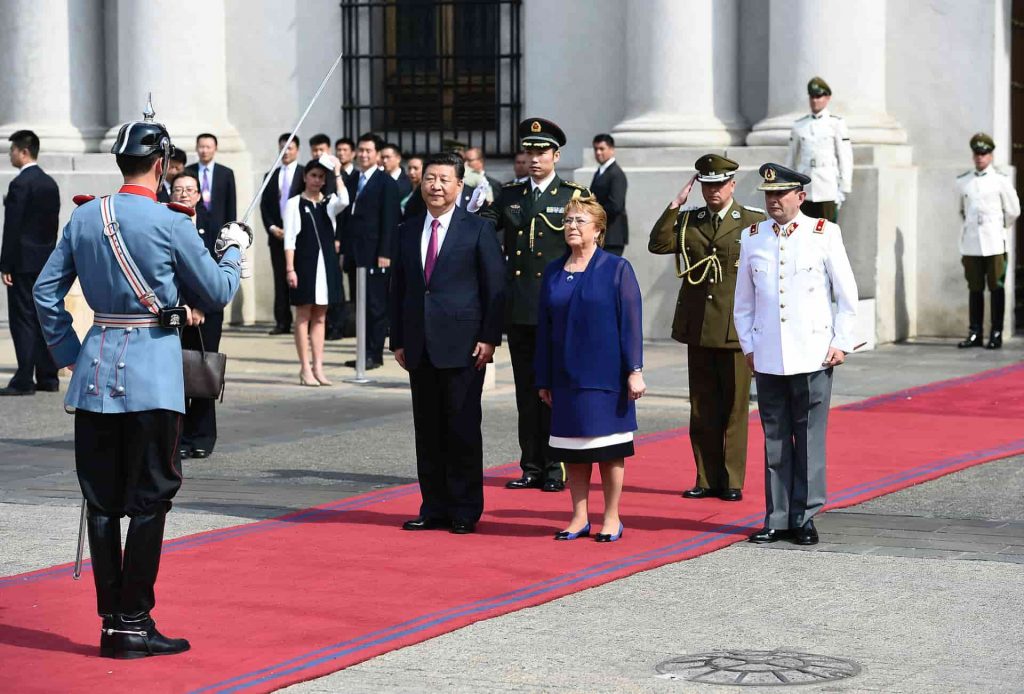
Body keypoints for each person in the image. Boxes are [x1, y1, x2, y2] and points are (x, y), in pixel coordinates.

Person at [33, 105, 250, 658]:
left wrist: (70, 352)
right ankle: (134, 620)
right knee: (151, 499)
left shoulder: (85, 217)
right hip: (153, 377)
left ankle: (112, 623)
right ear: (159, 164)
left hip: (95, 374)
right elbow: (218, 292)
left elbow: (44, 293)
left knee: (102, 502)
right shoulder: (172, 222)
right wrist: (234, 251)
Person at [734, 163, 859, 546]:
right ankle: (777, 516)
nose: (773, 200)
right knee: (774, 437)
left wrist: (842, 341)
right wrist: (749, 347)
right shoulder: (753, 237)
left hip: (813, 353)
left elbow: (846, 294)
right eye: (768, 194)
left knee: (807, 437)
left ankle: (805, 516)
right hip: (770, 352)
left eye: (780, 194)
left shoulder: (824, 233)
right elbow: (744, 302)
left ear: (800, 197)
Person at [390, 152, 505, 535]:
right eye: (429, 179)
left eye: (444, 180)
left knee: (462, 428)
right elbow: (399, 289)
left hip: (464, 345)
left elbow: (494, 288)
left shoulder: (477, 229)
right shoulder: (407, 229)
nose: (435, 186)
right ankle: (433, 506)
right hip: (419, 344)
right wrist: (398, 339)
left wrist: (489, 337)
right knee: (428, 429)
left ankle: (465, 508)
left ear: (459, 186)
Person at [480, 118, 593, 493]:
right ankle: (530, 464)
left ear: (556, 155)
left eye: (541, 151)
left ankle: (555, 466)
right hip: (520, 307)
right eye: (529, 151)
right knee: (526, 391)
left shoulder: (572, 196)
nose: (533, 158)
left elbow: (590, 249)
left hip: (557, 305)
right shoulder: (510, 195)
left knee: (554, 389)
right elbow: (480, 227)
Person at [648, 154, 767, 502]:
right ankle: (704, 476)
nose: (713, 191)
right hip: (698, 326)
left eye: (720, 184)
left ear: (732, 184)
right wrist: (675, 205)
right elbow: (658, 244)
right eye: (708, 185)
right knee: (702, 407)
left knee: (734, 407)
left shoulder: (751, 221)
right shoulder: (689, 221)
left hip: (734, 329)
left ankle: (731, 480)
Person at [535, 197, 644, 542]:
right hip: (565, 377)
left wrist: (634, 370)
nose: (571, 226)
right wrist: (543, 377)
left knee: (609, 451)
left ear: (597, 229)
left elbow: (631, 323)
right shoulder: (553, 270)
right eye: (568, 220)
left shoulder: (616, 269)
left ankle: (611, 517)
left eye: (579, 221)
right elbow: (544, 327)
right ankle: (579, 517)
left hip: (606, 377)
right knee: (573, 451)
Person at [1, 129, 60, 396]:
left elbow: (12, 227)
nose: (10, 154)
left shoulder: (20, 184)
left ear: (24, 152)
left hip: (22, 263)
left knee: (23, 319)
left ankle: (24, 377)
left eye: (12, 149)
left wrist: (5, 264)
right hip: (44, 259)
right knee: (43, 317)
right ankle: (48, 376)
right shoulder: (49, 183)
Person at [284, 155, 350, 385]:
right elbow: (289, 240)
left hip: (327, 264)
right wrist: (290, 269)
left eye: (321, 177)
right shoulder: (294, 203)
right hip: (304, 264)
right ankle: (305, 368)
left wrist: (338, 172)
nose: (316, 180)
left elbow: (345, 200)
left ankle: (318, 367)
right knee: (303, 315)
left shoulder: (329, 202)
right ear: (304, 177)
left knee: (321, 316)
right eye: (313, 175)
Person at [171, 172, 223, 459]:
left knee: (202, 371)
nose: (184, 194)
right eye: (178, 189)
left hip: (207, 312)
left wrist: (201, 305)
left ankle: (202, 435)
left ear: (199, 195)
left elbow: (217, 270)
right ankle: (176, 437)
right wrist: (183, 306)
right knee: (175, 375)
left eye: (190, 190)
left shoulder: (211, 225)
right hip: (175, 311)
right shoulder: (164, 223)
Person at [338, 132, 401, 370]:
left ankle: (375, 353)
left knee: (375, 306)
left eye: (368, 151)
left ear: (377, 155)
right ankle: (362, 352)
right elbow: (346, 219)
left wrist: (385, 252)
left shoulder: (386, 183)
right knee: (359, 304)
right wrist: (344, 250)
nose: (364, 155)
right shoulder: (353, 180)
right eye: (361, 150)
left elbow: (390, 220)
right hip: (356, 254)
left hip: (376, 254)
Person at [955, 133, 1020, 349]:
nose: (980, 157)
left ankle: (996, 332)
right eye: (977, 153)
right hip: (972, 243)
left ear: (990, 155)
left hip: (994, 243)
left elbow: (1013, 211)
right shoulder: (964, 181)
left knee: (996, 287)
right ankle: (975, 332)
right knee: (974, 288)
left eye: (984, 153)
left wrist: (1000, 229)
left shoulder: (1000, 180)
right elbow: (961, 211)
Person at [787, 77, 853, 222]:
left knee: (827, 232)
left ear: (827, 98)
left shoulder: (836, 123)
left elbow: (845, 157)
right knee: (804, 232)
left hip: (828, 187)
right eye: (812, 97)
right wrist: (788, 187)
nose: (815, 100)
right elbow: (790, 159)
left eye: (819, 96)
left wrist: (844, 188)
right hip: (805, 187)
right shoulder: (799, 125)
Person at [260, 133, 305, 335]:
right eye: (282, 148)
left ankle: (304, 320)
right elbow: (265, 207)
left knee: (302, 277)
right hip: (277, 236)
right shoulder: (270, 175)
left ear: (297, 150)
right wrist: (272, 228)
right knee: (280, 279)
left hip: (300, 237)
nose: (285, 152)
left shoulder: (306, 174)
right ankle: (282, 321)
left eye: (289, 148)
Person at [186, 132, 237, 232]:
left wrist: (231, 227)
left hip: (219, 225)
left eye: (208, 147)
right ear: (196, 148)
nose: (204, 151)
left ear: (215, 148)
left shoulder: (226, 173)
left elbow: (231, 203)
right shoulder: (188, 171)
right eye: (201, 147)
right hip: (194, 223)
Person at [590, 134, 629, 256]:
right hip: (602, 236)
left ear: (612, 150)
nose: (598, 153)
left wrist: (592, 213)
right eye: (595, 149)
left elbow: (615, 205)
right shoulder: (601, 171)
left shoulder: (616, 174)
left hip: (612, 236)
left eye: (602, 149)